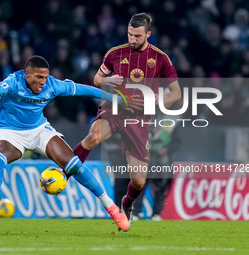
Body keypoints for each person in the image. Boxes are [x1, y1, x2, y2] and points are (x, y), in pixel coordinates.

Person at [0, 55, 131, 231]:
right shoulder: (13, 81)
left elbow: (84, 89)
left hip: (39, 131)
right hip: (10, 133)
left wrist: (113, 98)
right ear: (27, 74)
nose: (43, 82)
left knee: (75, 166)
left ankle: (112, 209)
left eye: (45, 77)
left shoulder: (52, 85)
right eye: (39, 77)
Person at [73, 13, 181, 231]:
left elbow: (176, 93)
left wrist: (162, 100)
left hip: (139, 119)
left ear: (148, 34)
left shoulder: (161, 58)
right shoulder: (114, 54)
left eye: (137, 36)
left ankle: (127, 204)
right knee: (93, 136)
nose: (132, 39)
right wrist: (107, 80)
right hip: (114, 108)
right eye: (130, 34)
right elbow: (96, 79)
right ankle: (64, 172)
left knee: (139, 182)